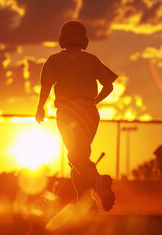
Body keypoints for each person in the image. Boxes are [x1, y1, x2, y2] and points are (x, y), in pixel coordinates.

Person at [36, 21, 117, 212]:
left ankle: (97, 181)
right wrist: (94, 102)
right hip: (89, 110)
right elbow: (109, 86)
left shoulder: (54, 60)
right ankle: (86, 202)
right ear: (84, 39)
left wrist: (40, 108)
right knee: (80, 156)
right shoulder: (92, 59)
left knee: (75, 155)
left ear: (63, 38)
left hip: (67, 110)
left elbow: (46, 87)